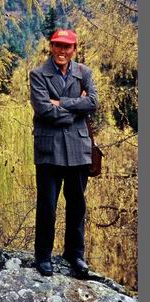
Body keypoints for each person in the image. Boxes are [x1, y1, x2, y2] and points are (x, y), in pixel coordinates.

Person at [29, 29, 98, 278]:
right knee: (47, 205)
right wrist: (76, 107)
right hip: (49, 149)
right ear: (51, 47)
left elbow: (93, 103)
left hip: (79, 149)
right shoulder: (38, 74)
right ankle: (43, 256)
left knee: (77, 205)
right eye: (58, 45)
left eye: (67, 47)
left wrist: (62, 102)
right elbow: (44, 110)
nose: (62, 51)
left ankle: (75, 255)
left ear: (74, 49)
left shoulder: (84, 73)